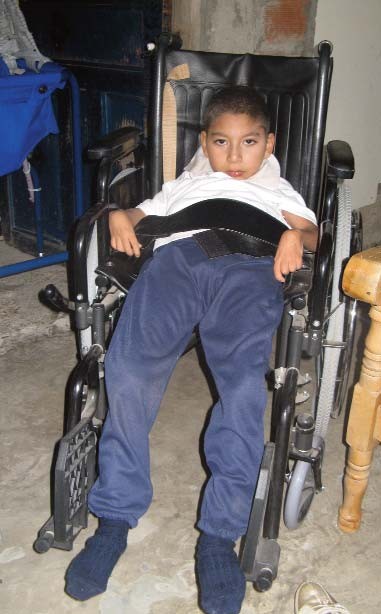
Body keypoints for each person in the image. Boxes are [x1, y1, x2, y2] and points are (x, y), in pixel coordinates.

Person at [65, 87, 318, 614]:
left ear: (268, 145)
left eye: (248, 143)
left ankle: (219, 537)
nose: (234, 156)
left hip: (251, 269)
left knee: (244, 387)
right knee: (129, 370)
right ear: (204, 143)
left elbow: (311, 230)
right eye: (221, 142)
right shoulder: (188, 182)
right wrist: (119, 214)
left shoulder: (279, 187)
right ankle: (113, 519)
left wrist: (298, 237)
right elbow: (139, 215)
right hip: (178, 263)